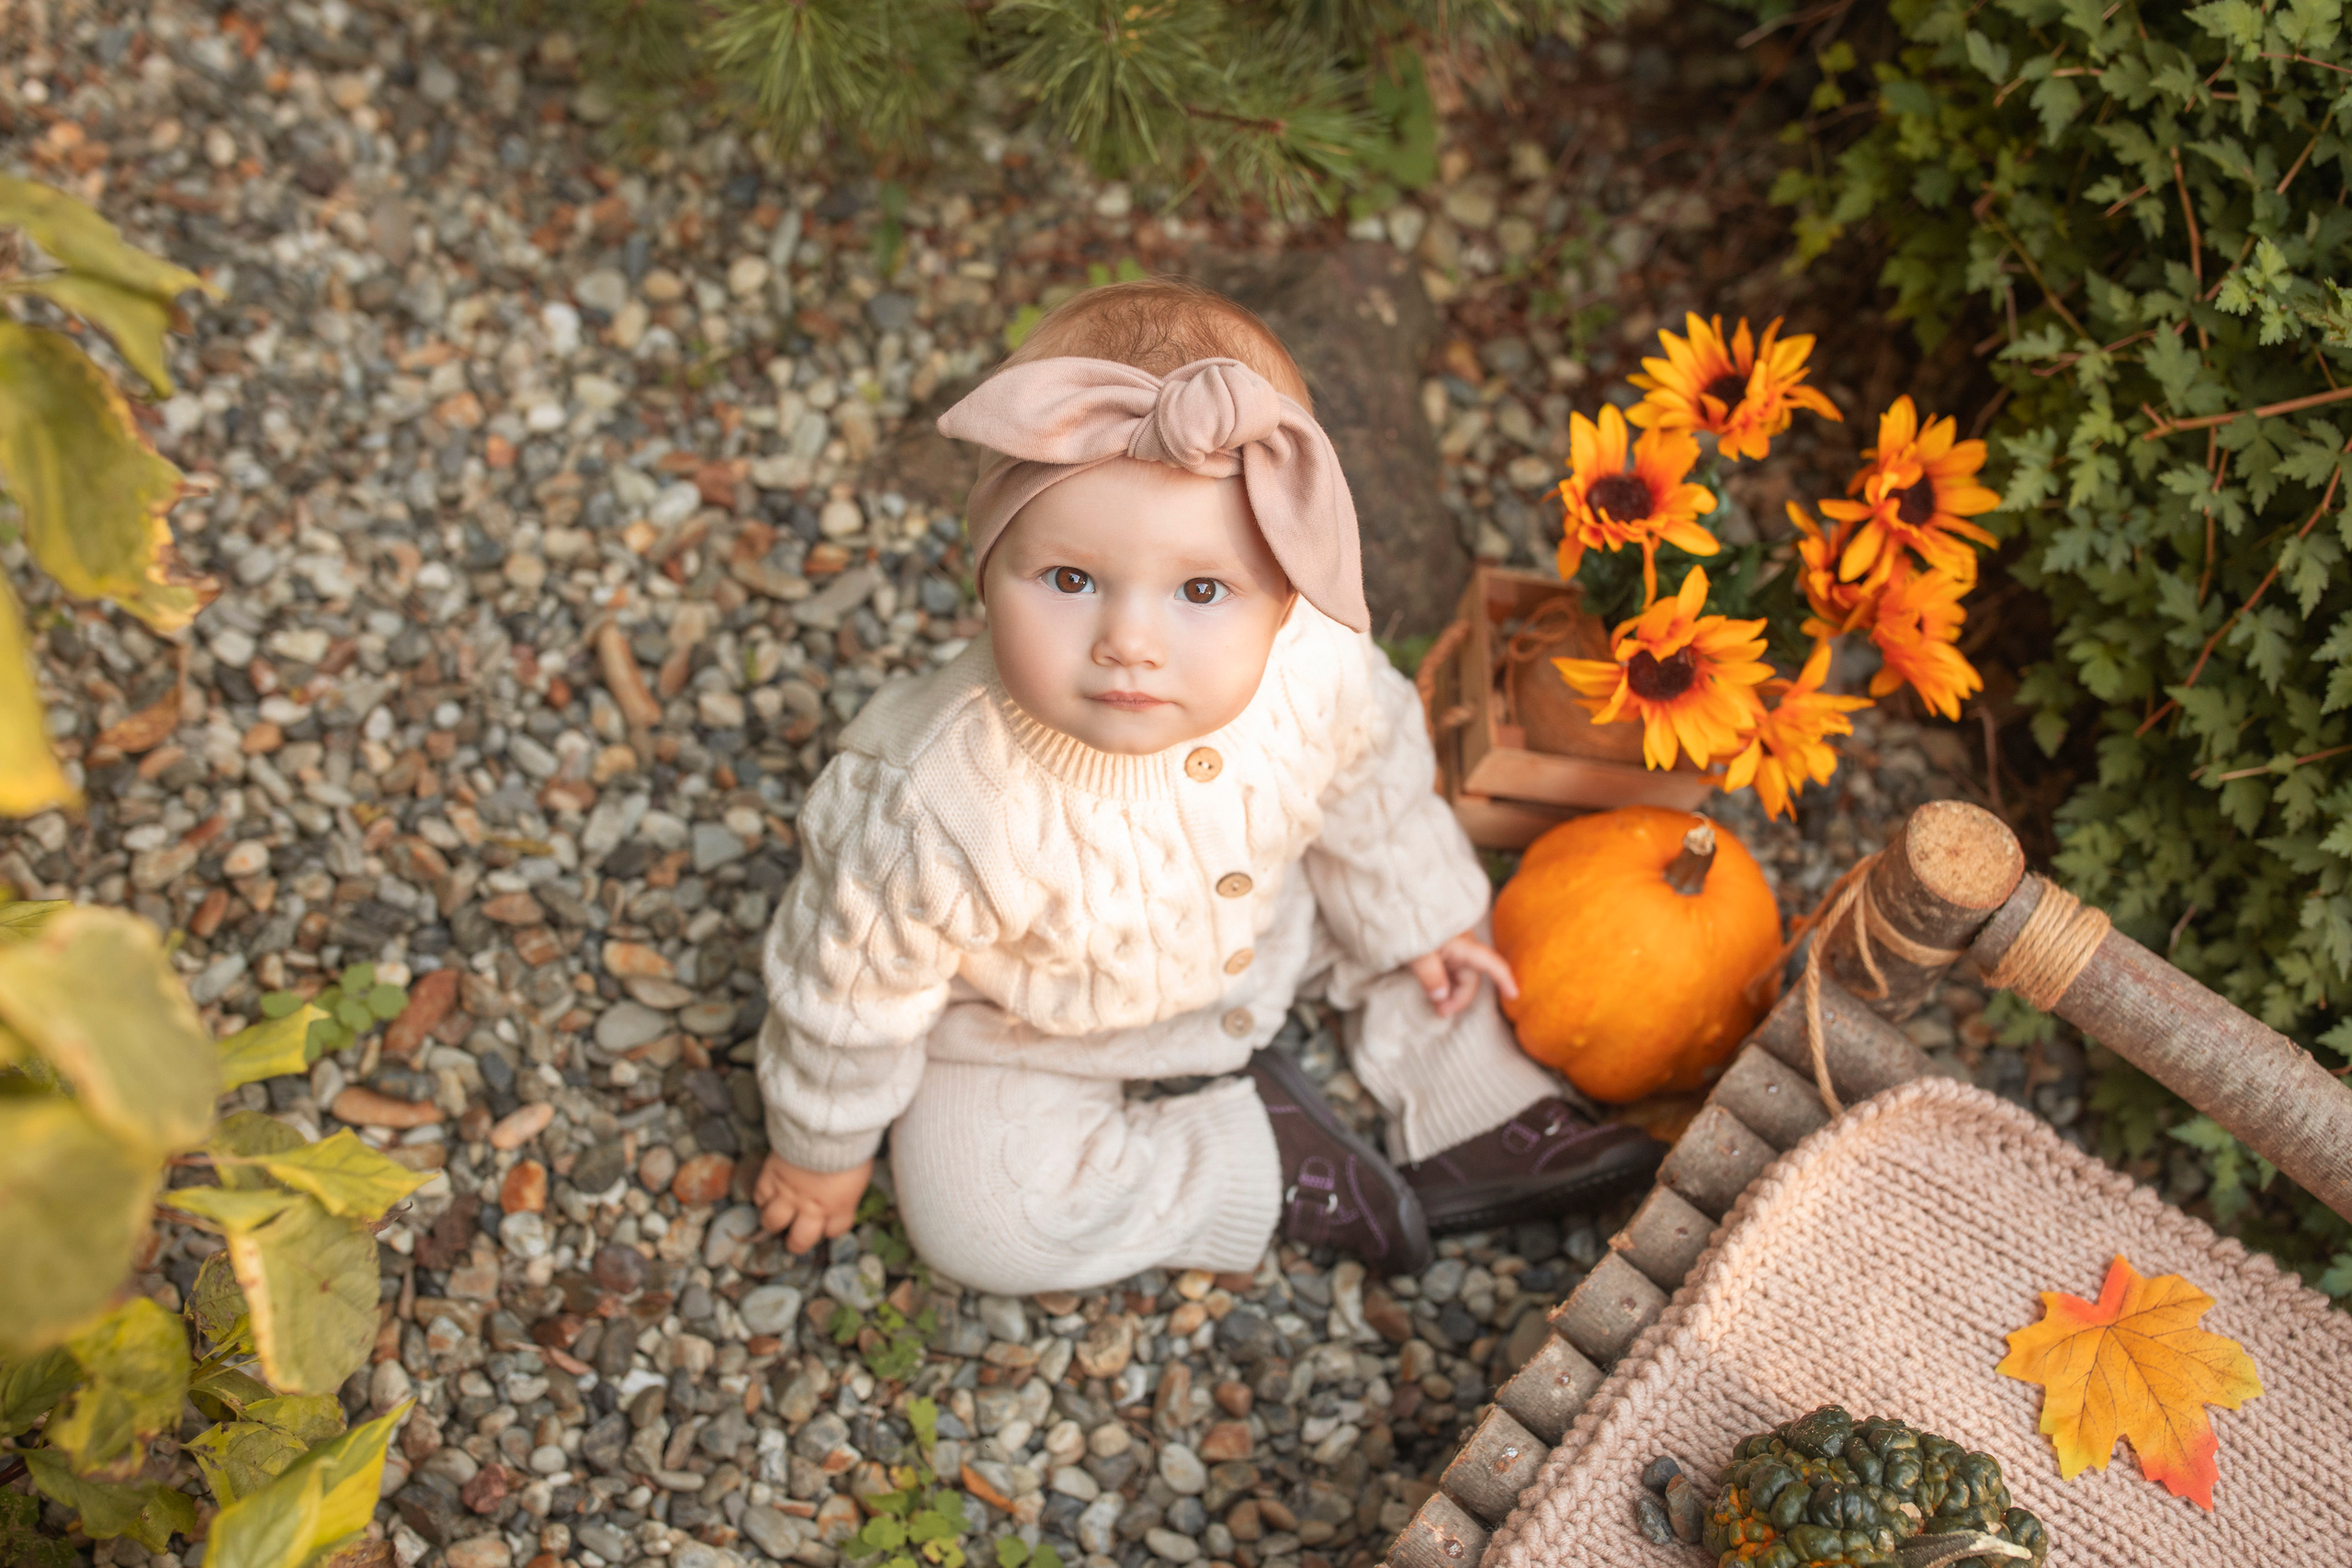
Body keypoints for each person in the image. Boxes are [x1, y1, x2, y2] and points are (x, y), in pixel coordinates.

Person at [749, 277, 1658, 1294]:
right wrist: (819, 1144)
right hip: (1030, 1022)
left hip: (1275, 922)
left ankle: (1475, 1107)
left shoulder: (1317, 667)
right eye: (1069, 579)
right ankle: (1264, 1159)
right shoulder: (930, 801)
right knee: (981, 1223)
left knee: (1426, 943)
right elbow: (848, 992)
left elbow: (1377, 789)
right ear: (988, 564)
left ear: (1281, 599)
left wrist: (1422, 918)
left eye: (1200, 591)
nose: (1129, 643)